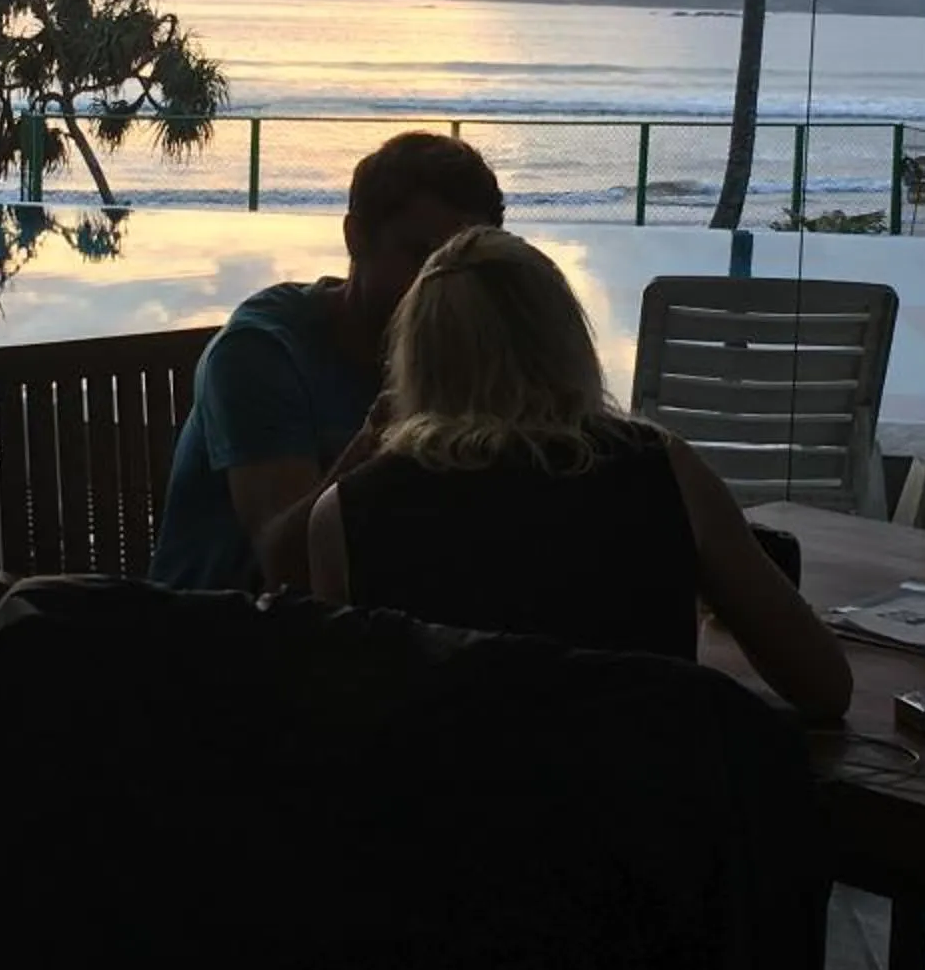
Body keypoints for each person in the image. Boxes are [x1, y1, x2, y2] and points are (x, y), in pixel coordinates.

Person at [308, 227, 853, 723]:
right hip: (640, 817)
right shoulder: (663, 471)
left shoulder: (347, 516)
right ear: (566, 342)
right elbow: (825, 685)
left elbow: (346, 726)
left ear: (415, 358)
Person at [148, 130, 504, 594]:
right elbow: (287, 566)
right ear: (356, 237)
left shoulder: (456, 348)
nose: (437, 286)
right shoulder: (260, 353)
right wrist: (383, 437)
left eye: (462, 266)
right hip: (216, 641)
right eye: (420, 255)